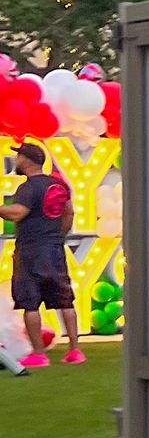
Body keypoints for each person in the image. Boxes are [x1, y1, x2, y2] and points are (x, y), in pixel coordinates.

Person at [3, 142, 81, 366]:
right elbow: (69, 212)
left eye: (19, 157)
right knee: (65, 300)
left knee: (30, 302)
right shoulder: (58, 184)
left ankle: (39, 353)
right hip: (54, 249)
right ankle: (75, 350)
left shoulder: (28, 188)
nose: (16, 160)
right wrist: (58, 236)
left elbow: (18, 213)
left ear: (27, 160)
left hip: (31, 250)